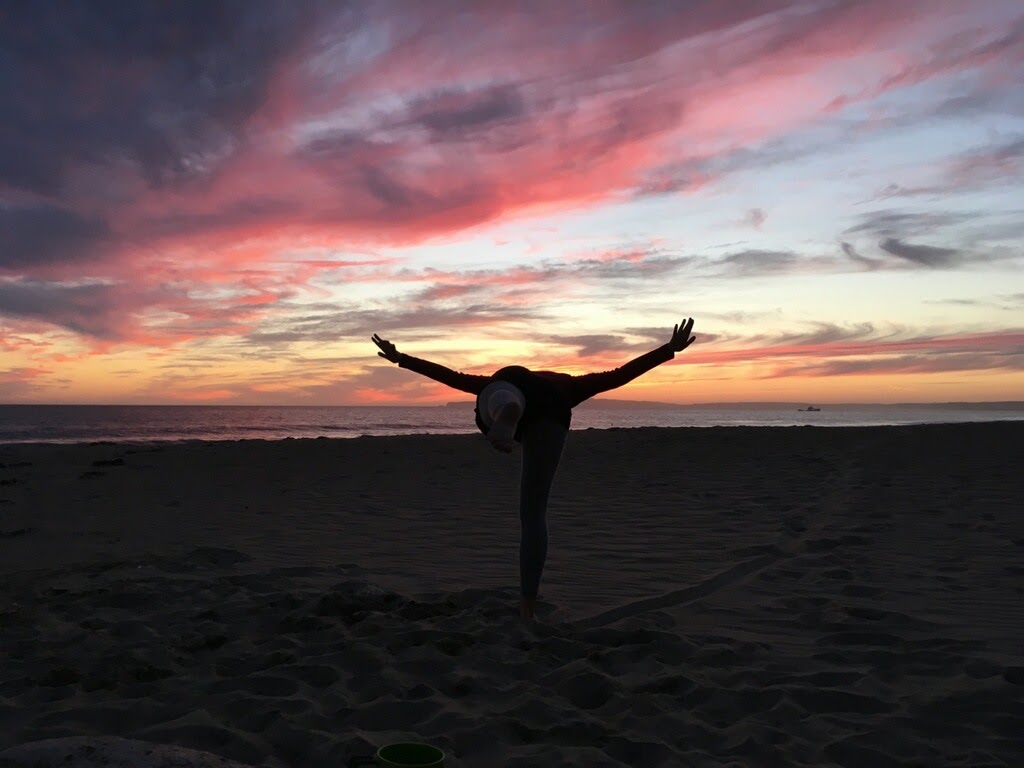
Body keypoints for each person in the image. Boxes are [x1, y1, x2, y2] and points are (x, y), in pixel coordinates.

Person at [371, 318, 697, 620]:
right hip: (553, 408)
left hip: (508, 383)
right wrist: (667, 350)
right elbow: (618, 375)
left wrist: (402, 358)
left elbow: (449, 376)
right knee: (534, 513)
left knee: (497, 396)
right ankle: (528, 604)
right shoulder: (571, 385)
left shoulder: (510, 379)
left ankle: (505, 412)